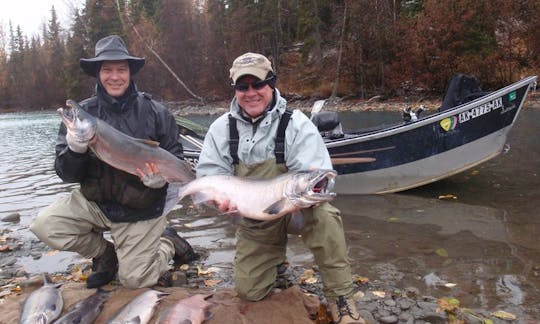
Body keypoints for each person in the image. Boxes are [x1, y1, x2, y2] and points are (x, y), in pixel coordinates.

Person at [196, 52, 365, 324]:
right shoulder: (221, 129)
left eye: (258, 84)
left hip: (296, 209)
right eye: (243, 86)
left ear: (271, 84)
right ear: (235, 90)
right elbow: (210, 174)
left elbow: (320, 177)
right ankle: (275, 263)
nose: (251, 92)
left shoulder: (296, 124)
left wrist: (314, 188)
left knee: (325, 215)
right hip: (257, 218)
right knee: (249, 291)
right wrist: (219, 201)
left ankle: (342, 297)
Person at [30, 35, 197, 289]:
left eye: (121, 69)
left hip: (140, 208)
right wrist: (75, 150)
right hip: (96, 203)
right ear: (98, 74)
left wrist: (161, 183)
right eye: (107, 70)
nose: (114, 76)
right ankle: (105, 253)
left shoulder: (156, 112)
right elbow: (66, 174)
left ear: (130, 73)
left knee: (136, 281)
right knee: (44, 225)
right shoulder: (85, 115)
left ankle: (167, 243)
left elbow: (176, 158)